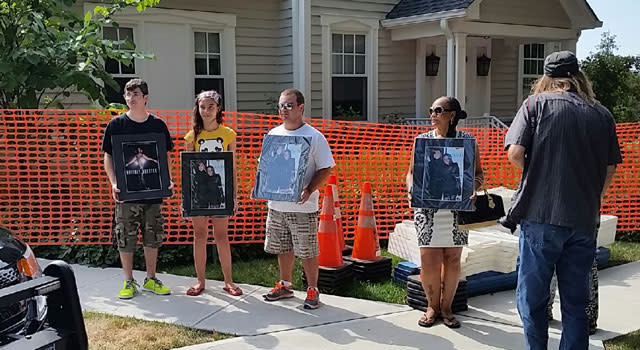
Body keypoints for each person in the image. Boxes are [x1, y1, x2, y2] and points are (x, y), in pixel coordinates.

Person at [504, 51, 621, 350]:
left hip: (541, 216)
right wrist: (593, 195)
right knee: (576, 304)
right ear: (577, 77)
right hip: (582, 220)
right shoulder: (601, 114)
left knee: (532, 300)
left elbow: (515, 154)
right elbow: (610, 167)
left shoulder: (535, 105)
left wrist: (541, 168)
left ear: (546, 78)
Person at [406, 96, 484, 328]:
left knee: (452, 259)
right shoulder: (422, 141)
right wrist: (411, 189)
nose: (432, 114)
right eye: (431, 110)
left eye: (438, 110)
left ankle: (447, 308)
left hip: (456, 210)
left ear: (452, 115)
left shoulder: (468, 142)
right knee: (428, 260)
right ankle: (432, 307)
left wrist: (473, 187)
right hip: (428, 210)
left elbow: (479, 174)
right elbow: (410, 173)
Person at [261, 88, 335, 310]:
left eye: (289, 105)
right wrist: (263, 185)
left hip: (303, 206)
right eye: (281, 106)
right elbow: (265, 167)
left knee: (308, 249)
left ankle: (312, 290)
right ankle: (284, 285)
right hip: (277, 204)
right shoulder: (273, 134)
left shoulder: (314, 136)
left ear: (301, 107)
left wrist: (310, 188)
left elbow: (326, 168)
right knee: (283, 246)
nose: (284, 110)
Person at [102, 78, 173, 299]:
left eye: (135, 94)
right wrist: (114, 182)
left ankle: (151, 279)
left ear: (145, 98)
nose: (131, 99)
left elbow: (165, 157)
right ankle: (128, 281)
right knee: (125, 237)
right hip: (126, 195)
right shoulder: (116, 125)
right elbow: (108, 157)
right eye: (128, 94)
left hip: (153, 193)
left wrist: (167, 180)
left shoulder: (158, 125)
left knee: (152, 235)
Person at [183, 90, 242, 297]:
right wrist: (188, 199)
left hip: (220, 191)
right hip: (199, 193)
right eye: (202, 107)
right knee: (199, 236)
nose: (206, 111)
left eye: (211, 106)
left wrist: (233, 195)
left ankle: (229, 281)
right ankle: (200, 281)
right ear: (197, 109)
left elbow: (232, 167)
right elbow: (187, 170)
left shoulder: (228, 134)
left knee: (221, 236)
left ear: (218, 108)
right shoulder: (192, 137)